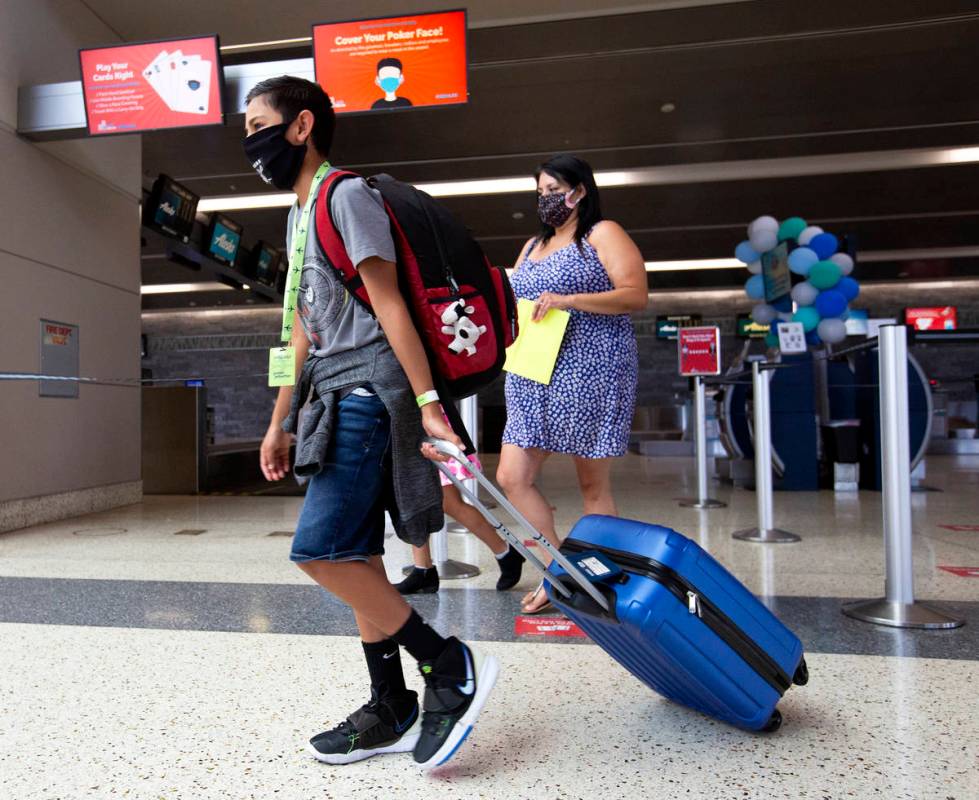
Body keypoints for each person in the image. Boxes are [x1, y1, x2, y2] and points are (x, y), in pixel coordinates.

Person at [246, 75, 496, 770]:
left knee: (319, 549)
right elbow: (300, 329)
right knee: (355, 555)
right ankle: (390, 703)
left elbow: (389, 307)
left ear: (300, 127)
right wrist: (279, 419)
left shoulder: (344, 196)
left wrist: (426, 404)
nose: (250, 142)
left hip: (369, 390)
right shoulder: (298, 217)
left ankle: (446, 664)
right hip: (329, 391)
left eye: (257, 125)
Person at [496, 154, 648, 614]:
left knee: (592, 484)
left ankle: (603, 580)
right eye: (539, 191)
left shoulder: (602, 234)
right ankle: (561, 572)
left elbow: (635, 295)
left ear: (579, 191)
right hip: (531, 369)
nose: (545, 199)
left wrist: (569, 299)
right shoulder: (529, 247)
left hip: (592, 366)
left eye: (552, 189)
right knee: (511, 477)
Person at [395, 412, 524, 594]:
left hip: (425, 423)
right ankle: (423, 569)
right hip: (411, 423)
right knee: (415, 499)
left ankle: (504, 551)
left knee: (449, 503)